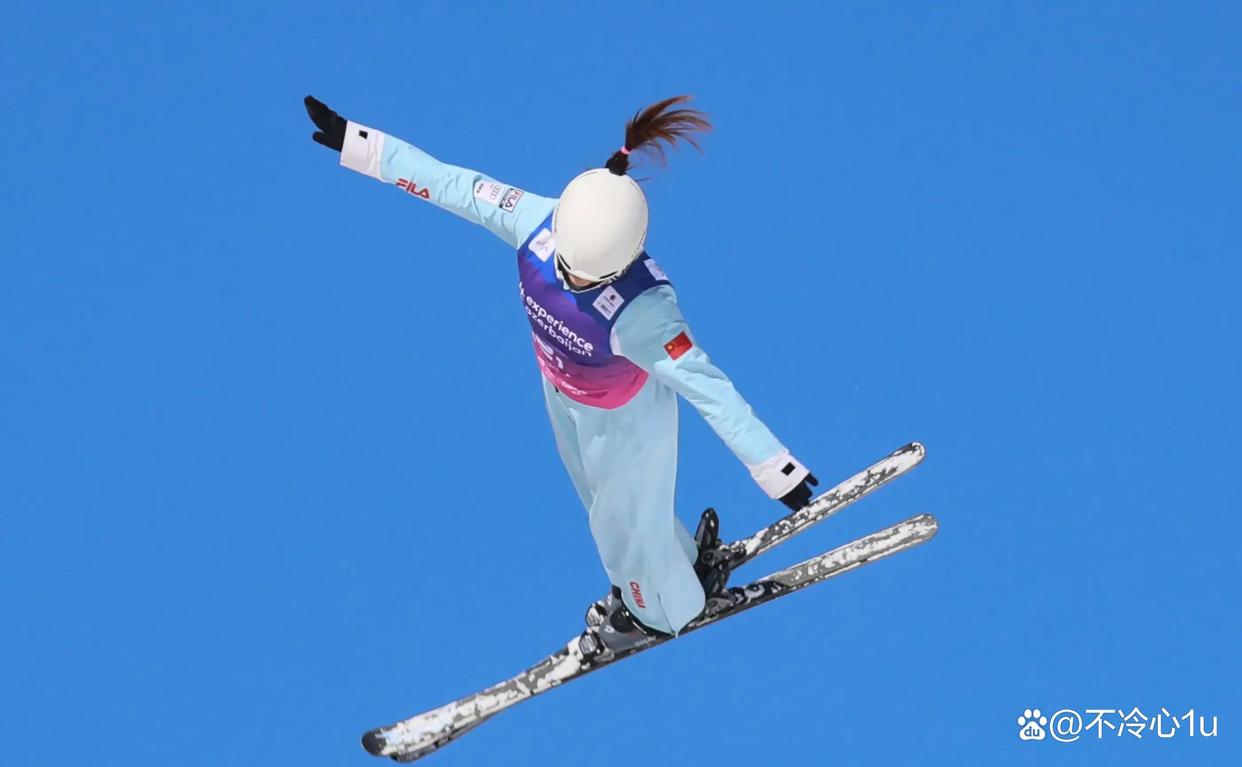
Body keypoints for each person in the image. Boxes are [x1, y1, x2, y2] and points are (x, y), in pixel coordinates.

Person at [304, 94, 818, 654]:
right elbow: (454, 185)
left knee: (620, 522)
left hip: (627, 418)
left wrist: (774, 468)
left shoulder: (645, 311)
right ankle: (681, 567)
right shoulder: (534, 221)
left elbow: (709, 386)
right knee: (602, 503)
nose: (573, 282)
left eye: (589, 278)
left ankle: (659, 612)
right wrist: (364, 146)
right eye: (569, 268)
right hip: (563, 393)